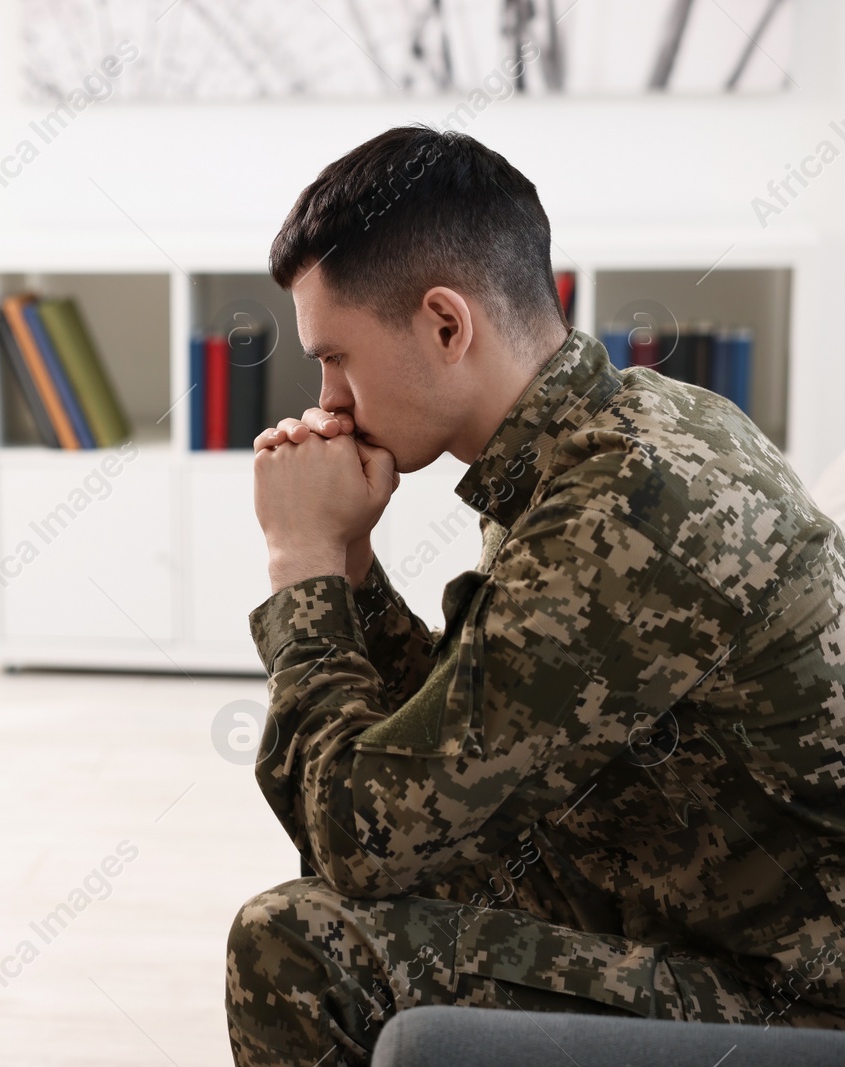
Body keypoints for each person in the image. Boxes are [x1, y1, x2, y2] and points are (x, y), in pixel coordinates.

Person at [227, 125, 845, 1065]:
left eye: (337, 356)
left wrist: (301, 562)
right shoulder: (613, 431)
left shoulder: (627, 506)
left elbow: (359, 833)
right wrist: (349, 561)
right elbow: (466, 730)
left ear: (446, 324)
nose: (329, 398)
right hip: (669, 891)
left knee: (298, 944)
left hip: (780, 996)